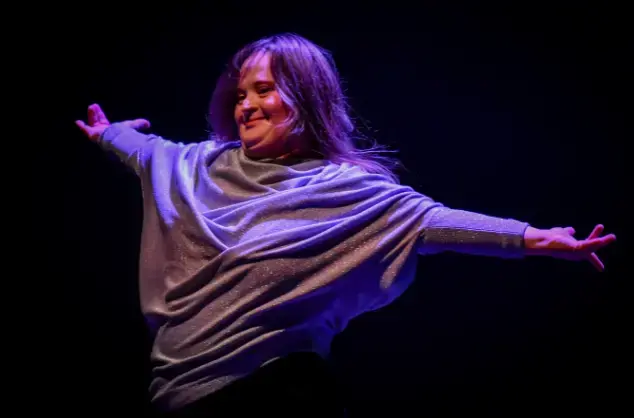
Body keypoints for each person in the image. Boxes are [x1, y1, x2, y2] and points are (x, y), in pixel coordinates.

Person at [75, 33, 616, 417]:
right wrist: (107, 135)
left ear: (306, 98)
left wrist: (537, 239)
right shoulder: (196, 168)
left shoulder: (344, 190)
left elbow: (434, 221)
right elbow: (146, 151)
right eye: (241, 94)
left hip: (274, 392)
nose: (247, 105)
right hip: (175, 392)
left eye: (265, 90)